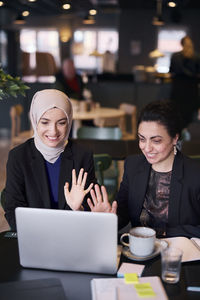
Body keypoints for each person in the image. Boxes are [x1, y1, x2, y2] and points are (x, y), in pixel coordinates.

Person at [87, 100, 200, 238]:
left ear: (175, 138)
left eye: (156, 141)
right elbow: (123, 213)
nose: (147, 148)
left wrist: (166, 233)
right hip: (139, 252)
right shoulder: (133, 165)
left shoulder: (195, 173)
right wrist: (108, 219)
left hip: (180, 253)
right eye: (142, 139)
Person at [4, 89, 96, 231]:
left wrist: (79, 209)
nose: (53, 131)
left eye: (61, 123)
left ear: (69, 122)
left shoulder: (82, 156)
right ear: (35, 120)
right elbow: (13, 210)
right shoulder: (18, 157)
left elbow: (92, 210)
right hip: (34, 236)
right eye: (45, 122)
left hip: (72, 233)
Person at [169, 35, 200, 131]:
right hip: (191, 88)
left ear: (181, 44)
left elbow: (171, 71)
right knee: (189, 114)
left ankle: (179, 135)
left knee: (178, 113)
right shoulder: (197, 56)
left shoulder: (175, 56)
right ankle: (188, 135)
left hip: (178, 87)